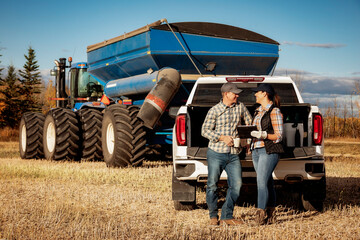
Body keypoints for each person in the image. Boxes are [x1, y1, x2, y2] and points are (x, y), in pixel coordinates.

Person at [201, 82, 252, 226]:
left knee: (237, 185)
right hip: (216, 152)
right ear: (226, 94)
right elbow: (204, 131)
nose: (237, 95)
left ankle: (226, 215)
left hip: (234, 154)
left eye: (237, 93)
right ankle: (213, 216)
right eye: (234, 93)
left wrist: (247, 141)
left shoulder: (240, 107)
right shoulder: (214, 110)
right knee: (212, 185)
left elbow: (249, 124)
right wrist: (222, 137)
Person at [250, 83, 284, 225]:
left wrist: (263, 134)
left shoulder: (274, 111)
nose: (255, 94)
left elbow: (279, 135)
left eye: (257, 92)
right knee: (267, 182)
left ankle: (260, 216)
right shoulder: (257, 111)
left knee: (261, 182)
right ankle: (270, 215)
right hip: (256, 150)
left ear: (265, 93)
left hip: (268, 150)